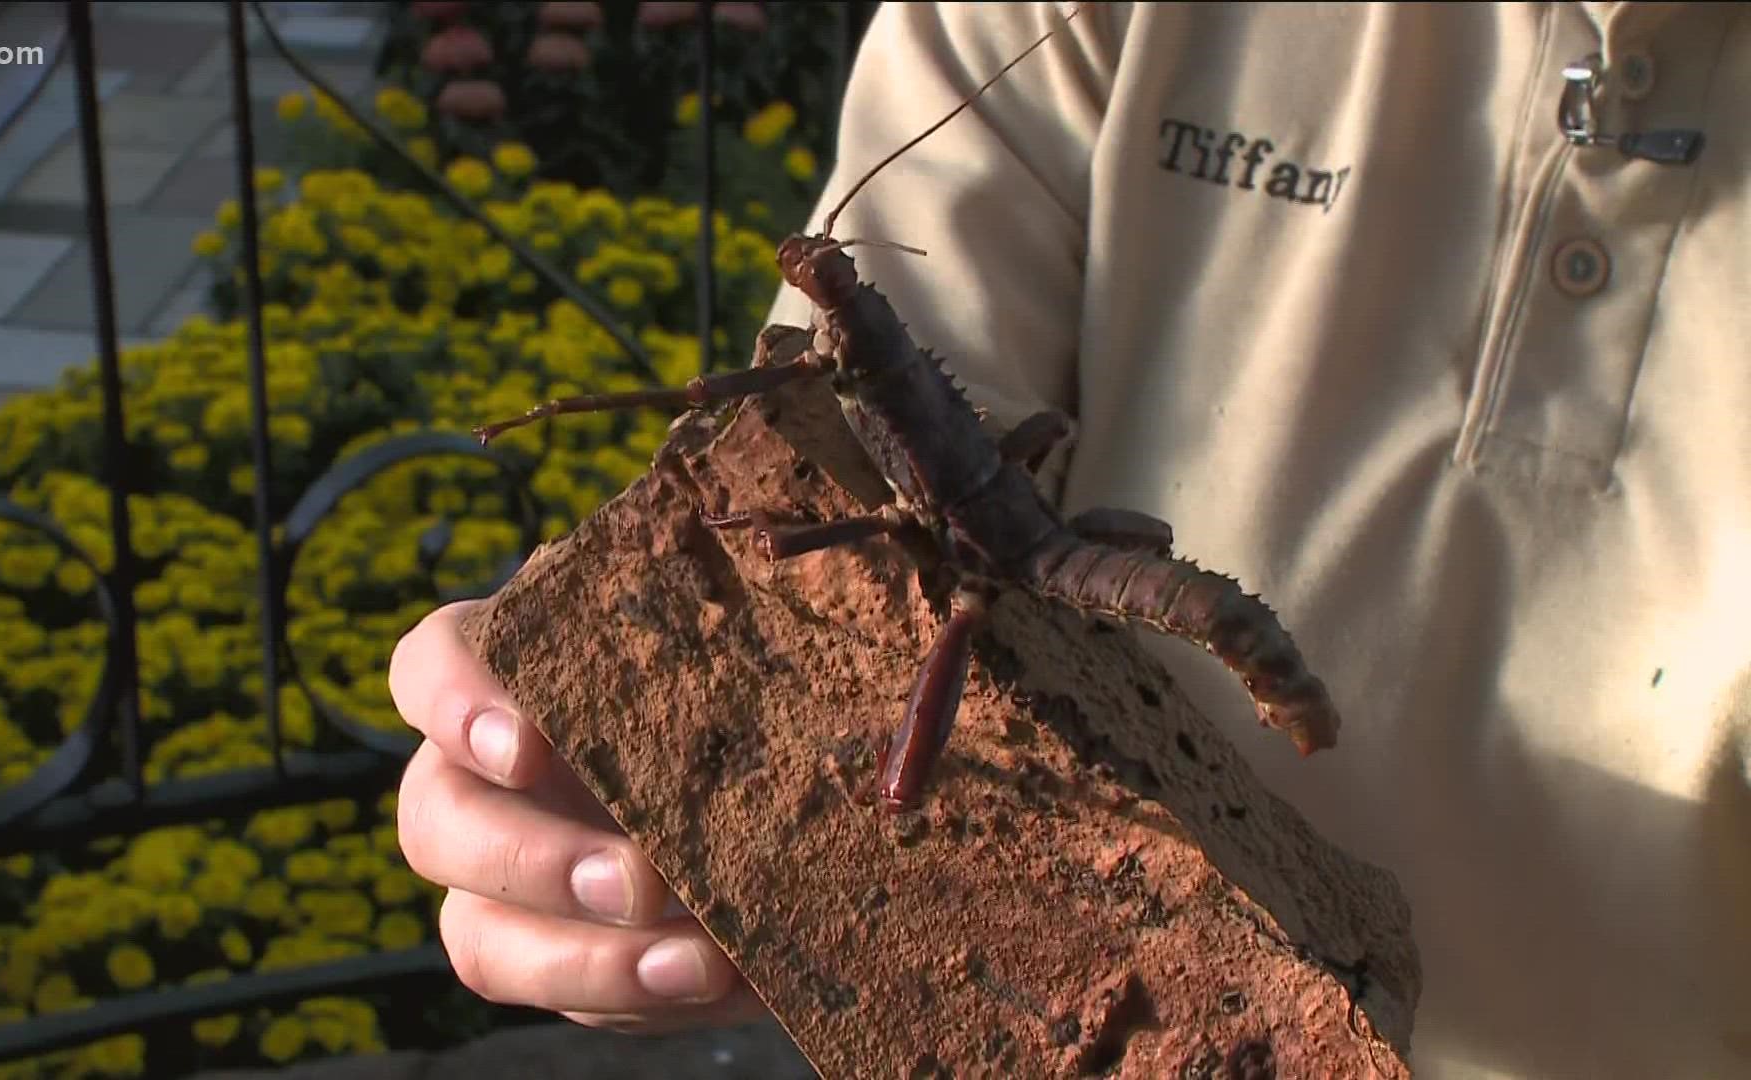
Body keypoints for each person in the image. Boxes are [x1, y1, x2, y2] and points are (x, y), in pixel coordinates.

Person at [391, 3, 1750, 1077]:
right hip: (1050, 579)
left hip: (1042, 578)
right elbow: (894, 397)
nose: (828, 288)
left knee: (911, 763)